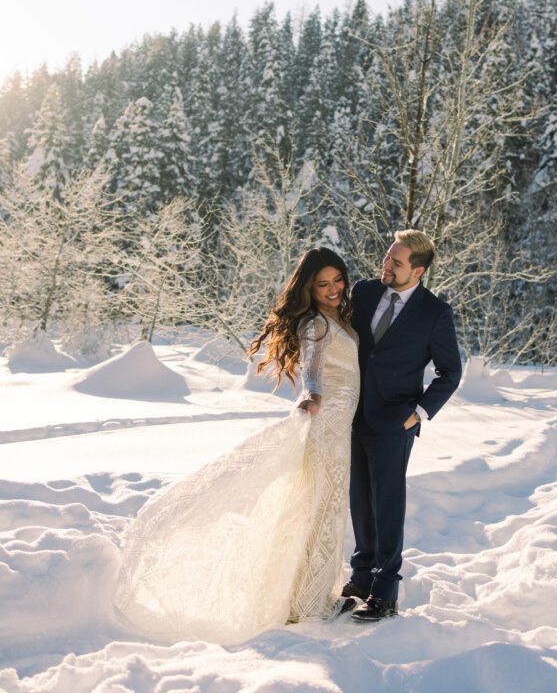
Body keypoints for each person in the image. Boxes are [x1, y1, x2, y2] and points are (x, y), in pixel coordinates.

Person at [113, 247, 359, 643]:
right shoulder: (315, 324)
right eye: (322, 284)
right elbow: (312, 372)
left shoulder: (341, 317)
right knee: (318, 508)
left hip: (342, 430)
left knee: (326, 508)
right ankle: (309, 603)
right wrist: (309, 397)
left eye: (336, 281)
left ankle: (312, 595)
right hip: (326, 427)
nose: (332, 289)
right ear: (309, 289)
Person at [343, 229, 462, 622]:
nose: (386, 265)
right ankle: (360, 580)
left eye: (396, 262)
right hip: (352, 415)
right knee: (359, 500)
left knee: (387, 505)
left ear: (419, 271)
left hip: (395, 423)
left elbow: (450, 372)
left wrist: (419, 413)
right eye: (387, 256)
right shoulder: (362, 292)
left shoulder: (434, 313)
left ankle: (385, 591)